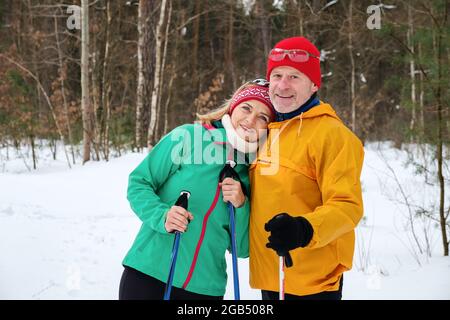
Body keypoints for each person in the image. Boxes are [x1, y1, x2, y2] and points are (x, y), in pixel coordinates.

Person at [119, 80, 275, 300]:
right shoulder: (188, 137)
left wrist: (241, 205)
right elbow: (139, 182)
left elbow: (242, 248)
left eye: (263, 117)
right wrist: (162, 216)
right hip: (149, 273)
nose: (251, 120)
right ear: (233, 107)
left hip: (204, 289)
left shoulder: (254, 170)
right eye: (246, 108)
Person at [249, 36, 364, 300]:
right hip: (272, 275)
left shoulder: (332, 134)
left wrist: (304, 229)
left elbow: (348, 206)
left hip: (312, 283)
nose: (282, 85)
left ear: (314, 84)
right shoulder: (269, 130)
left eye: (294, 77)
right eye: (276, 75)